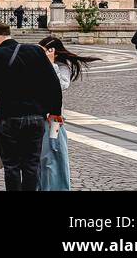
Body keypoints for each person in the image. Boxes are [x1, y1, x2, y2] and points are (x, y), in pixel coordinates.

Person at [0, 20, 62, 191]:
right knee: (32, 165)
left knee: (12, 167)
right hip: (35, 117)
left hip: (9, 118)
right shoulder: (35, 51)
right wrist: (54, 112)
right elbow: (53, 83)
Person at [37, 35, 98, 192]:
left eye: (43, 51)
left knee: (55, 153)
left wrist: (51, 65)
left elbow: (61, 85)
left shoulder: (62, 67)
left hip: (55, 120)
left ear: (53, 52)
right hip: (38, 117)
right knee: (40, 157)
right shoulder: (38, 64)